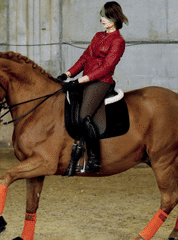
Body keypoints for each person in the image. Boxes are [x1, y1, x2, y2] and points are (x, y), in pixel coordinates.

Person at [57, 1, 128, 173]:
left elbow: (107, 67)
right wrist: (67, 74)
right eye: (102, 16)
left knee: (84, 115)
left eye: (107, 16)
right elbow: (84, 58)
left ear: (115, 17)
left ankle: (94, 159)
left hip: (101, 82)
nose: (103, 19)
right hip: (86, 80)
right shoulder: (98, 36)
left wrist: (82, 80)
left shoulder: (118, 41)